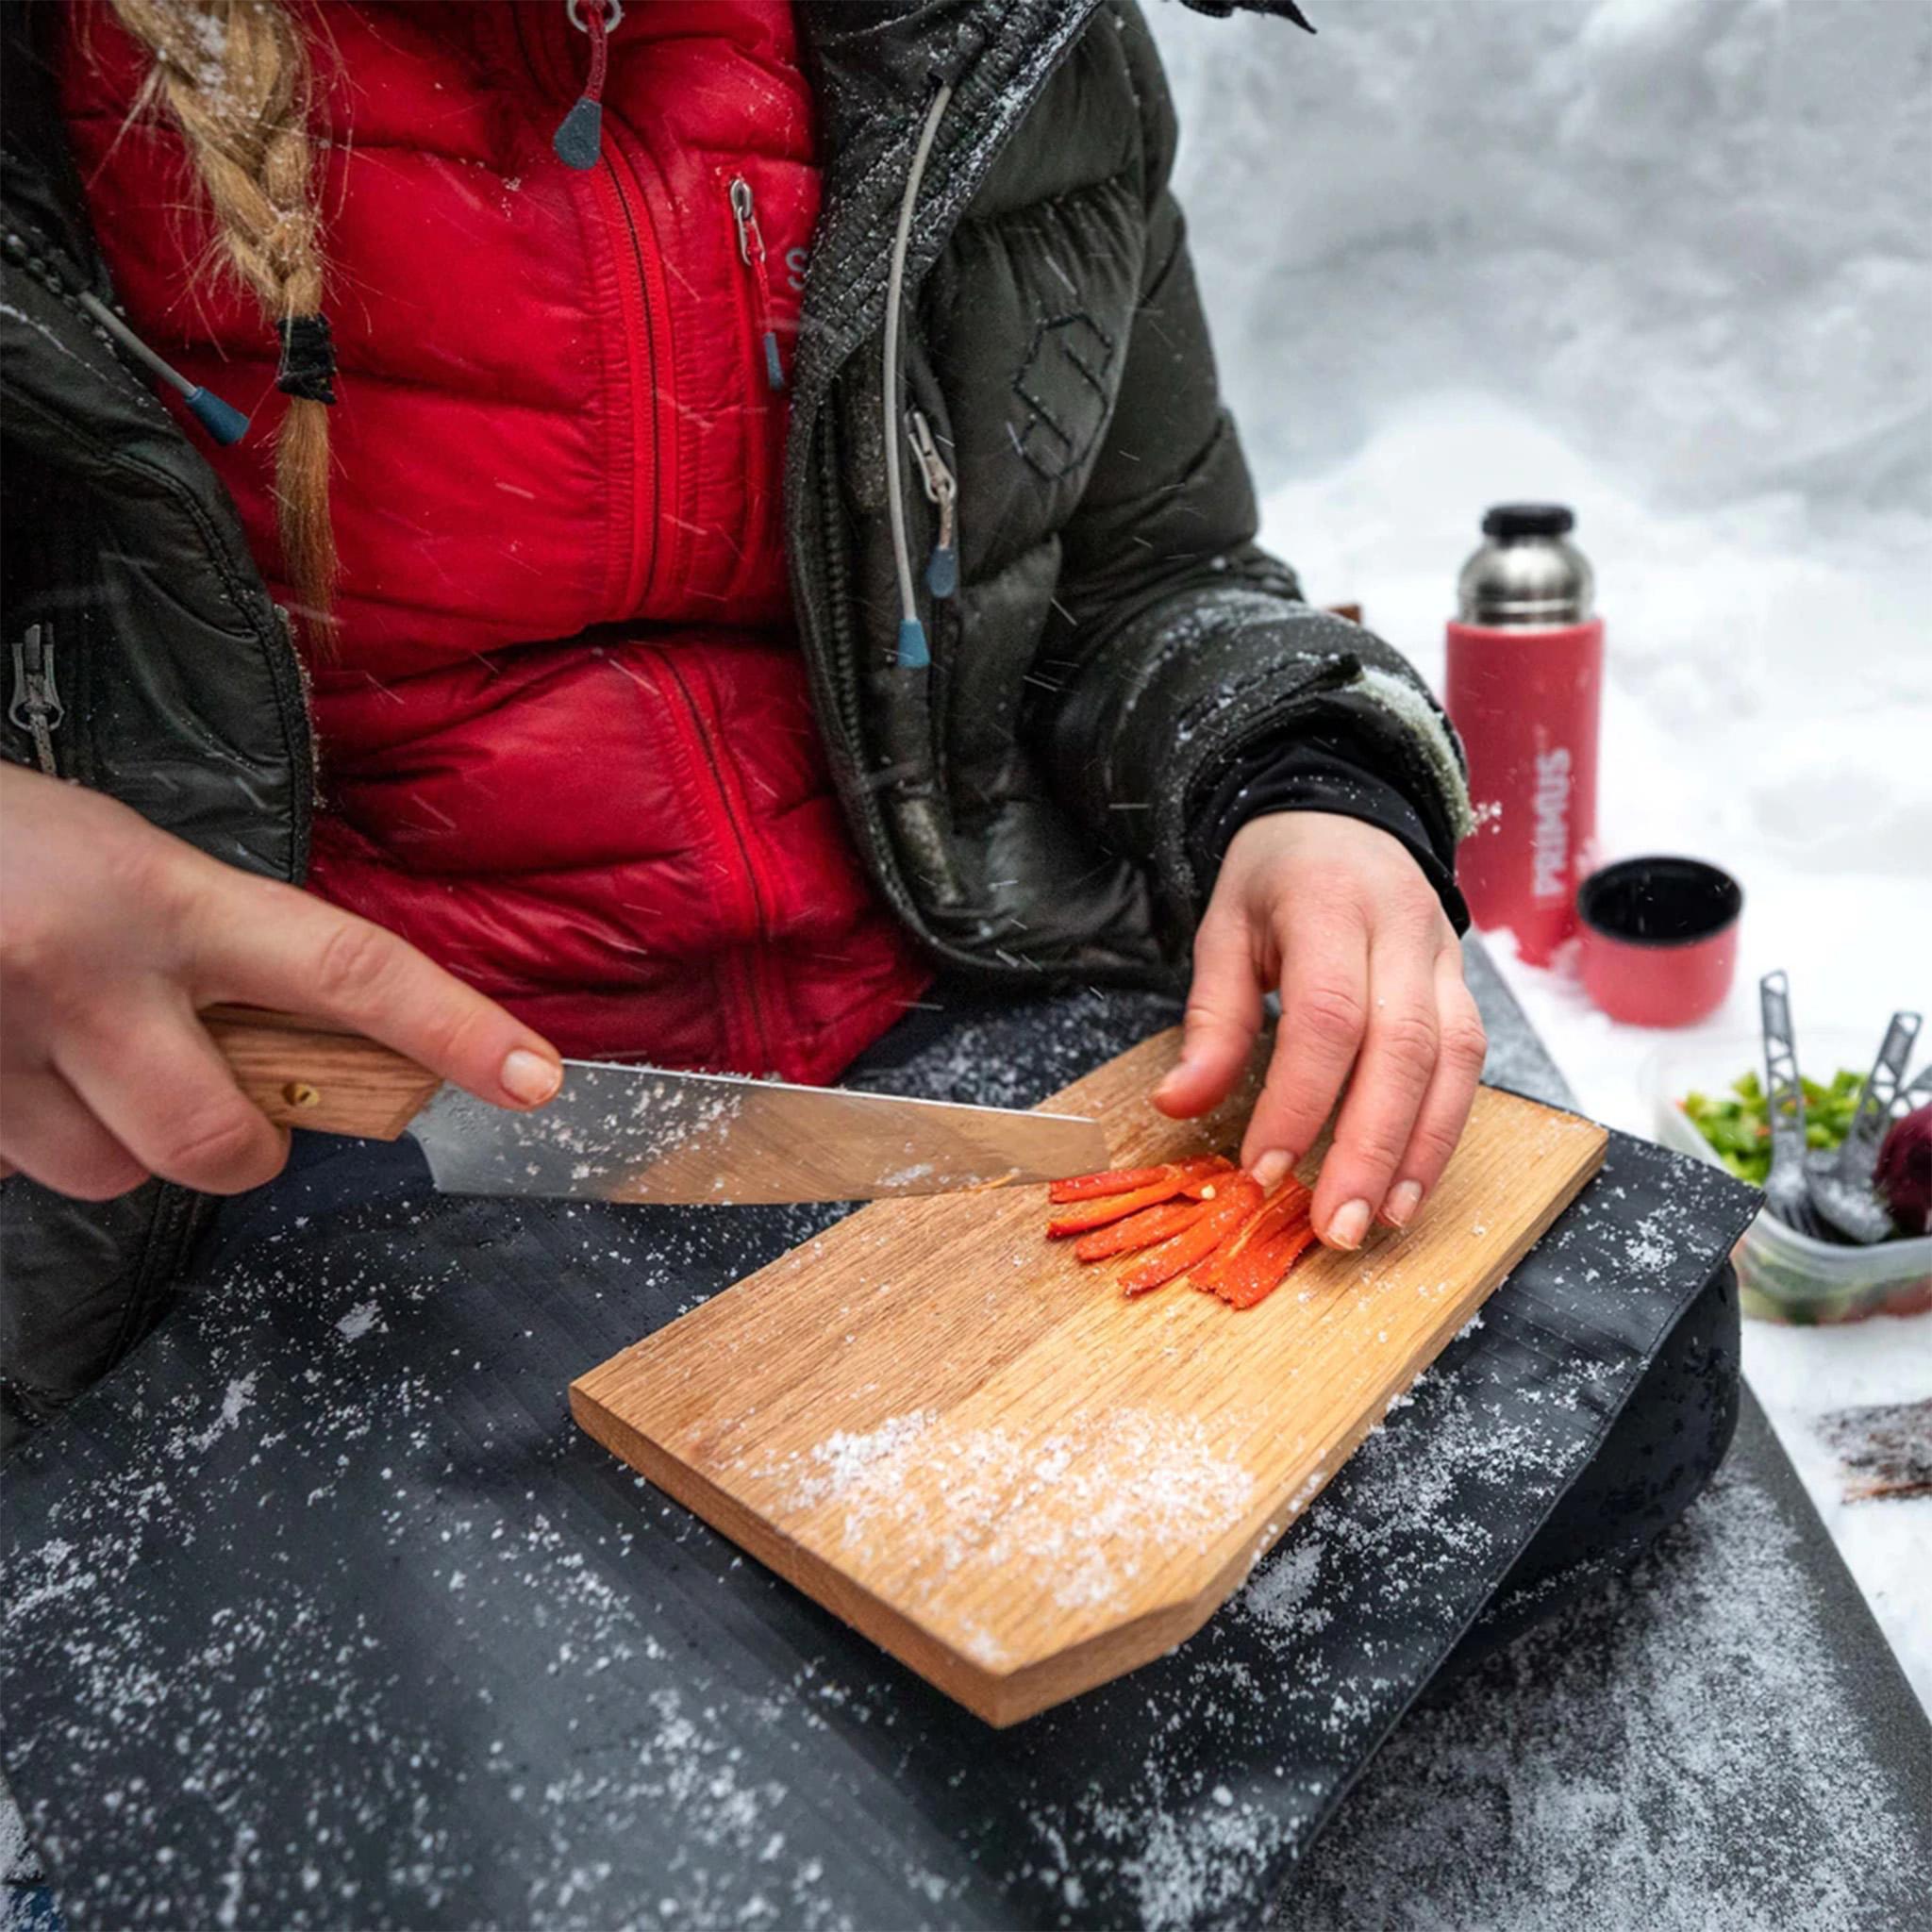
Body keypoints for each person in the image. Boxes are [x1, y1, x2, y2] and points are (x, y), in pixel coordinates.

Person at [0, 0, 1732, 1700]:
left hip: (953, 1006)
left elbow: (1148, 576)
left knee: (1608, 1381)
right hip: (327, 1149)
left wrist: (1303, 786)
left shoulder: (994, 33)